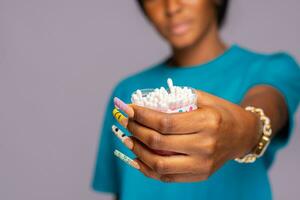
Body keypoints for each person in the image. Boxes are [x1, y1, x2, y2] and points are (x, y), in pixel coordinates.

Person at [91, 0, 300, 199]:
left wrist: (247, 129)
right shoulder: (126, 92)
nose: (171, 7)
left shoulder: (274, 69)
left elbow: (269, 103)